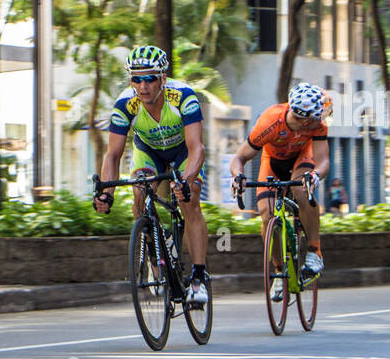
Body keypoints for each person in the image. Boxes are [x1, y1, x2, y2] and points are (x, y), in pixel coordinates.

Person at [93, 45, 209, 306]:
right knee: (140, 191)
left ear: (163, 78)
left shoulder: (183, 97)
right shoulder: (125, 104)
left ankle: (199, 278)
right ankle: (156, 253)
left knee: (190, 201)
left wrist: (186, 181)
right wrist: (106, 193)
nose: (143, 86)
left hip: (183, 152)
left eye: (149, 79)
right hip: (149, 152)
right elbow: (112, 155)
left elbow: (196, 148)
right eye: (136, 79)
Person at [228, 82, 332, 303]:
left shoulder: (317, 123)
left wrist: (315, 176)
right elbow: (239, 158)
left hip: (303, 158)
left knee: (301, 189)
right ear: (305, 118)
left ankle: (314, 252)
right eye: (316, 117)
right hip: (273, 161)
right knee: (266, 214)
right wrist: (238, 176)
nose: (321, 119)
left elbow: (323, 161)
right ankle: (278, 272)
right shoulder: (270, 121)